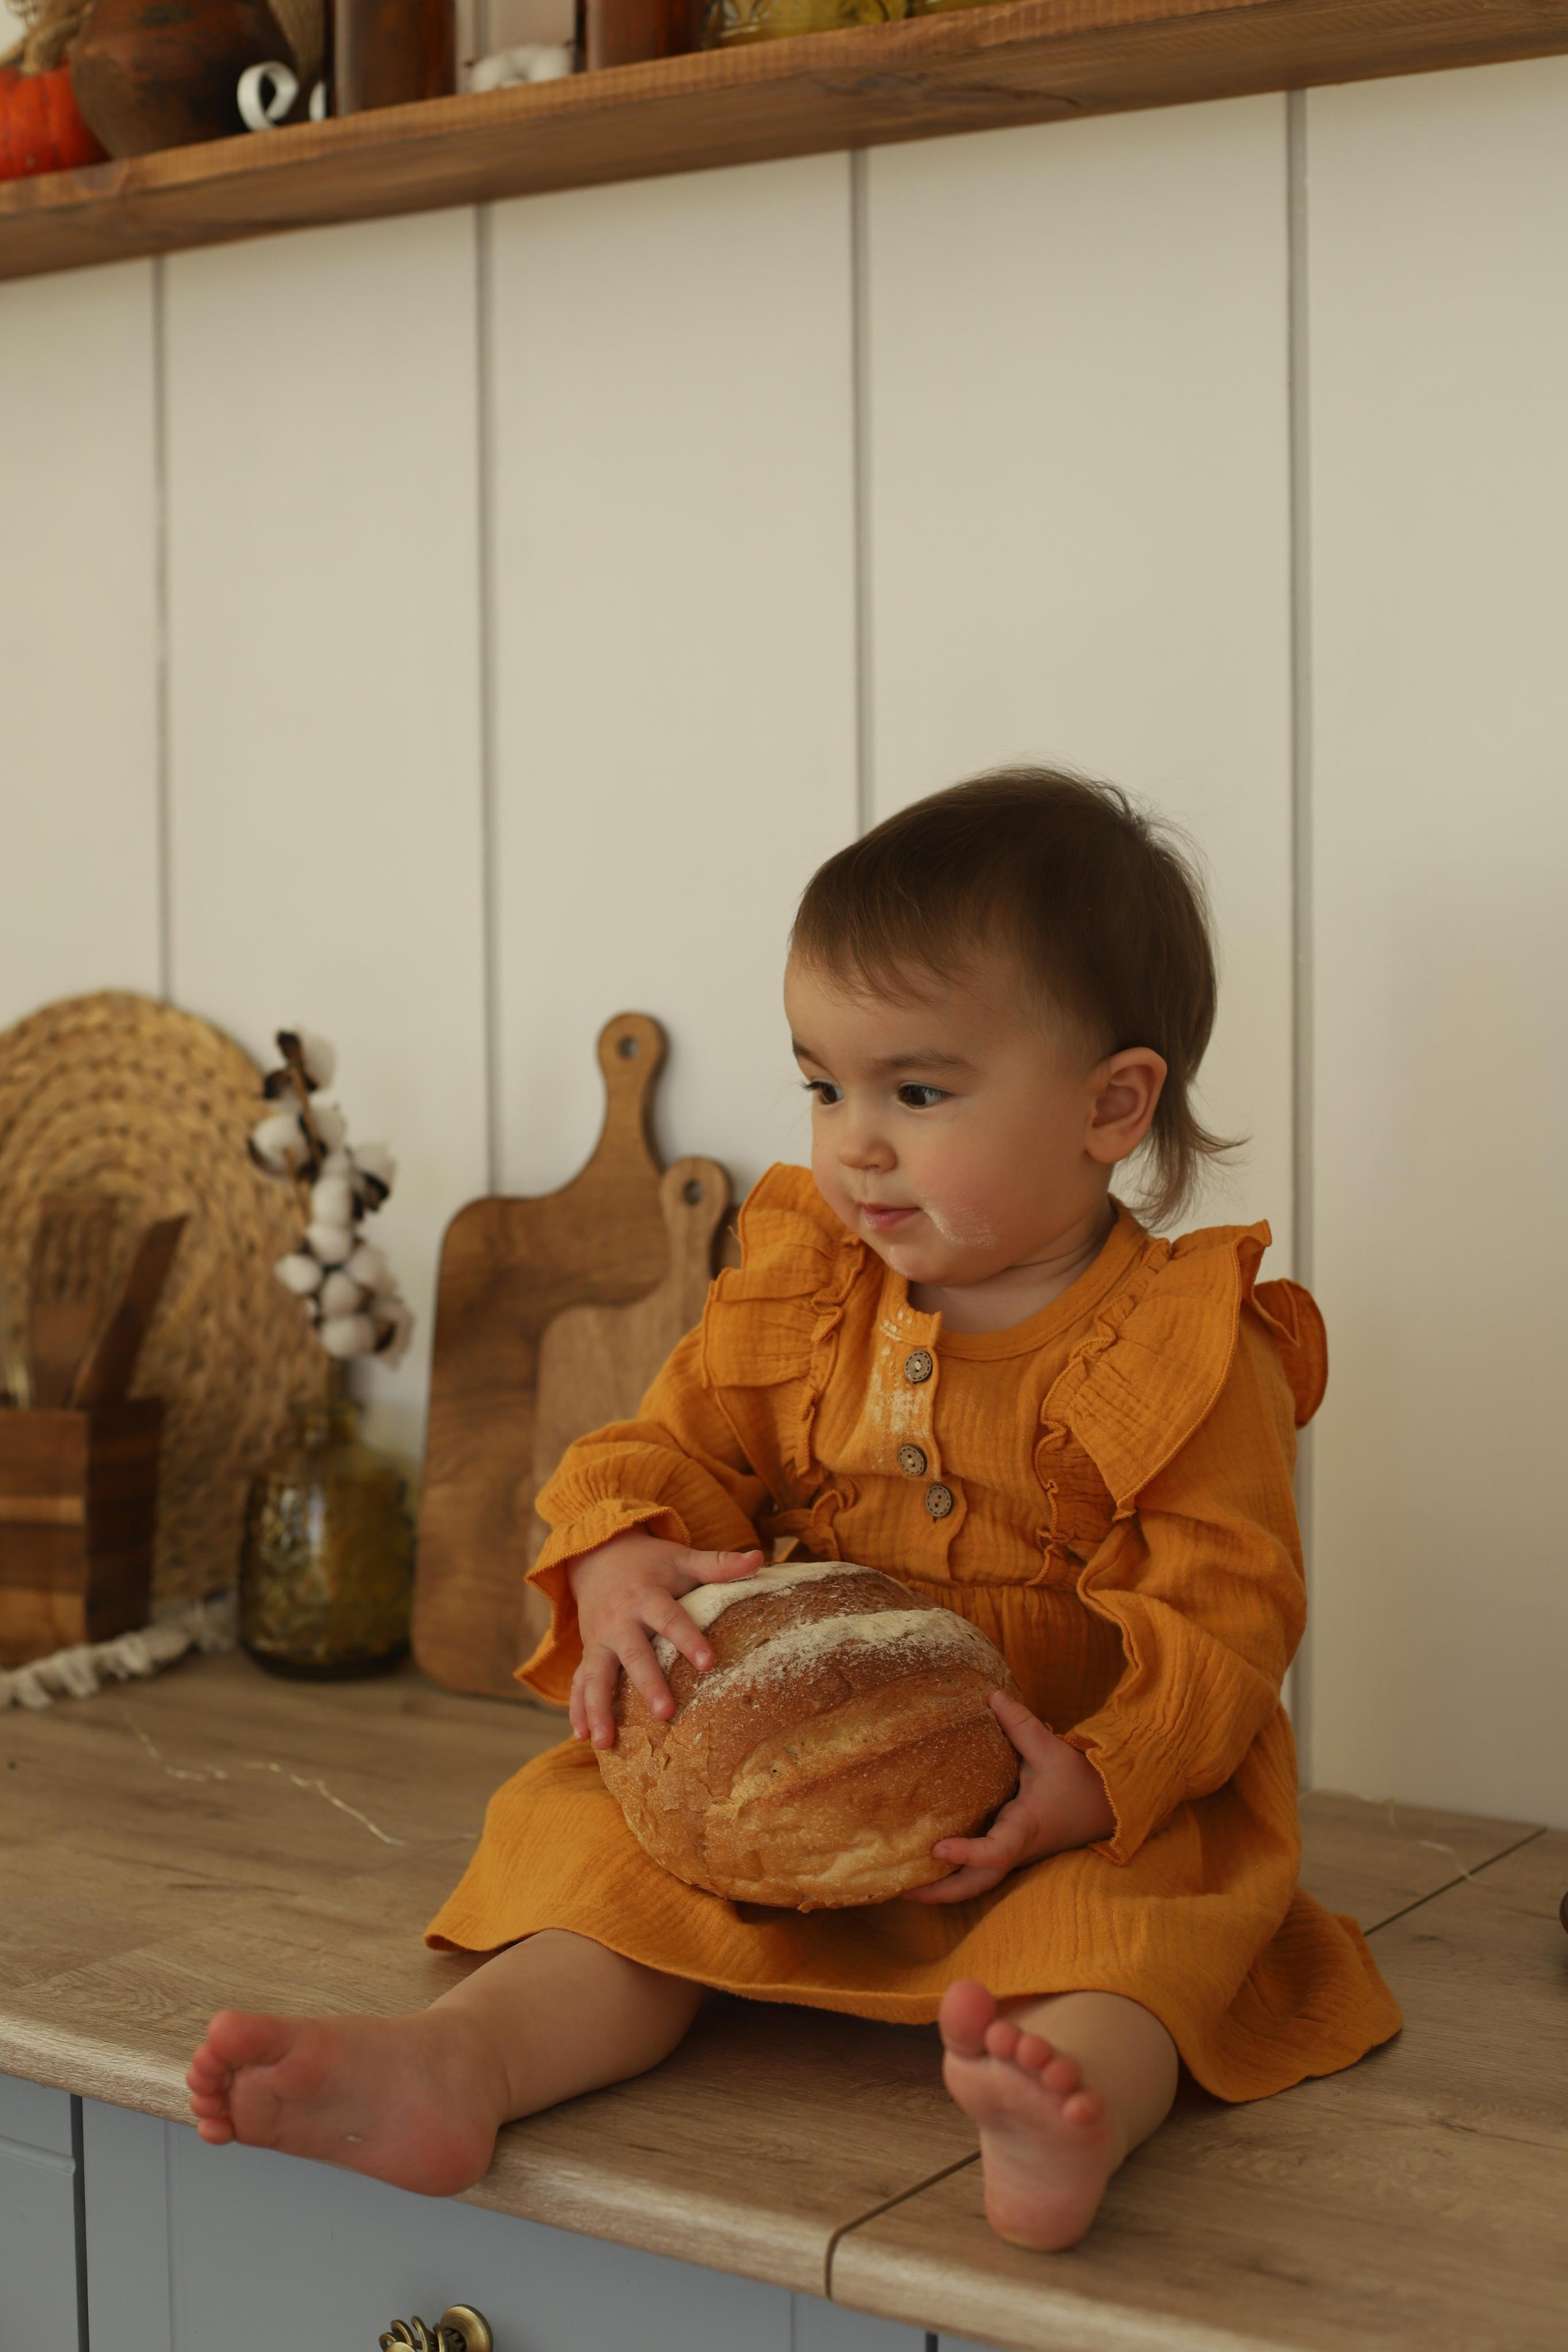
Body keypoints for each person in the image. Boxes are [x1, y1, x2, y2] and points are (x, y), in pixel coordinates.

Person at [186, 769, 1400, 2251]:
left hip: (1055, 1798)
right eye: (824, 1087)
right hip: (785, 1779)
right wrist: (624, 1554)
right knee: (595, 1848)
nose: (853, 1143)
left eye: (916, 1093)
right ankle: (463, 2063)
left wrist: (1100, 1778)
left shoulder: (1184, 1345)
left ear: (1110, 1105)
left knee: (1129, 1939)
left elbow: (1227, 1608)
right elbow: (670, 1445)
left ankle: (1063, 2104)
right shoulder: (808, 1289)